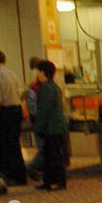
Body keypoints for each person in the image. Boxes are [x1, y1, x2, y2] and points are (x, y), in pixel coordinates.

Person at [0, 50, 27, 185]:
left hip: (6, 112)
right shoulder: (11, 73)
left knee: (5, 146)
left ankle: (10, 175)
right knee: (14, 144)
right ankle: (20, 175)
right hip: (16, 110)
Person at [32, 61, 68, 191]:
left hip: (51, 127)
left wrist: (38, 127)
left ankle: (56, 181)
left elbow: (43, 111)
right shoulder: (53, 86)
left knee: (52, 155)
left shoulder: (46, 88)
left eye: (38, 71)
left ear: (42, 72)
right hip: (56, 125)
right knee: (53, 154)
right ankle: (51, 181)